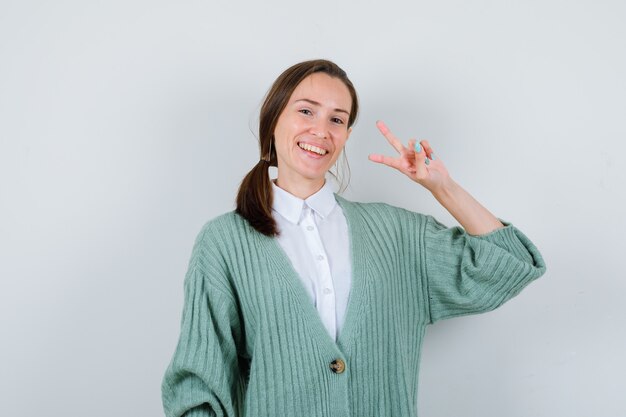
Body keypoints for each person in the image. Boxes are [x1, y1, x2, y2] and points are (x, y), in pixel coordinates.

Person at [161, 59, 546, 417]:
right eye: (306, 111)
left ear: (345, 136)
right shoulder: (224, 242)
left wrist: (443, 188)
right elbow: (199, 385)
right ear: (274, 119)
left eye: (337, 119)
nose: (321, 130)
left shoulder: (396, 234)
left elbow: (509, 265)